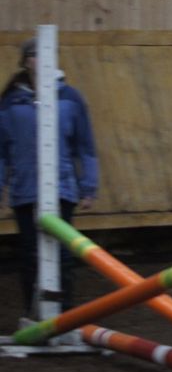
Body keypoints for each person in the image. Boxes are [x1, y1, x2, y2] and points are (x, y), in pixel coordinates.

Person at [0, 38, 99, 318]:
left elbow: (85, 146)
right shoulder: (11, 102)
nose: (40, 60)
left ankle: (64, 314)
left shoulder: (70, 98)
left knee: (64, 255)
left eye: (45, 55)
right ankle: (34, 316)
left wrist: (88, 186)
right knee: (30, 254)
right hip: (25, 188)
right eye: (34, 55)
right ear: (25, 61)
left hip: (62, 186)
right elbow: (2, 152)